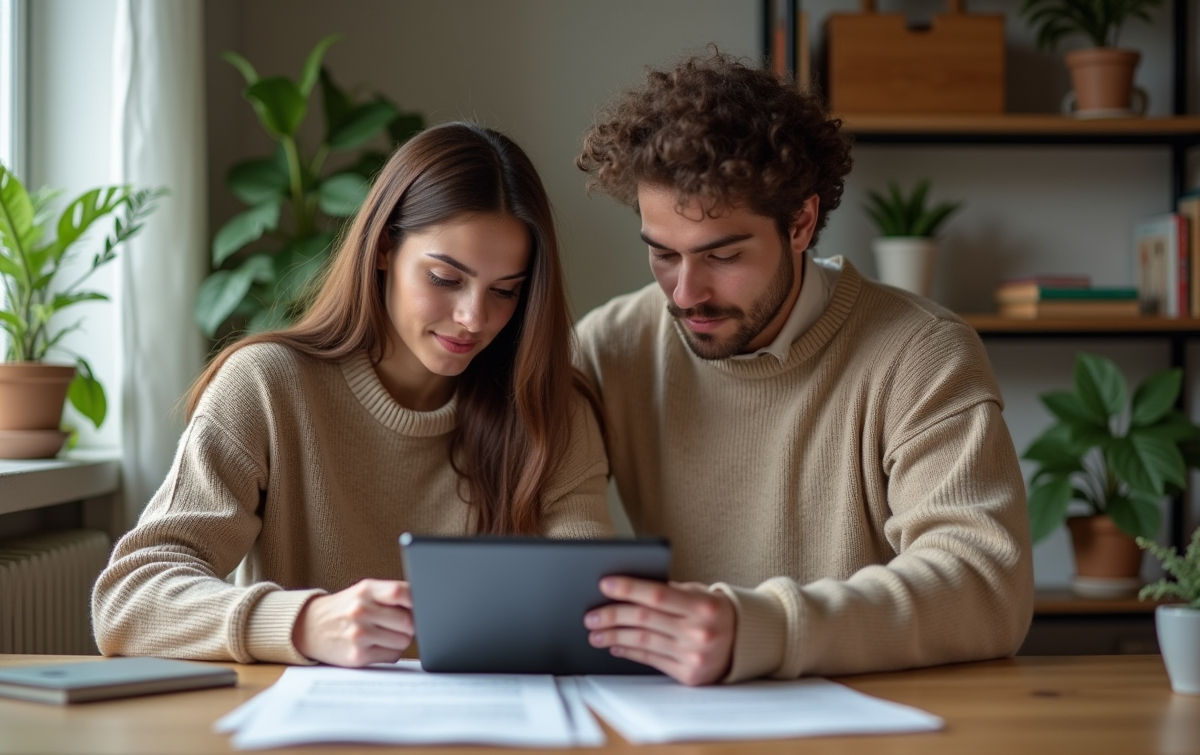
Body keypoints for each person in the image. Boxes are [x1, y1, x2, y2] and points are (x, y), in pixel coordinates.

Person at [573, 52, 1033, 686]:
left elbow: (986, 586)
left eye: (722, 255)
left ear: (801, 223)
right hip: (683, 727)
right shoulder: (609, 347)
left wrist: (763, 628)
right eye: (662, 255)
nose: (684, 293)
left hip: (878, 737)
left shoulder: (920, 353)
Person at [93, 122, 611, 667]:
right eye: (443, 278)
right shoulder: (266, 386)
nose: (473, 318)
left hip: (490, 738)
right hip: (311, 738)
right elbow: (127, 599)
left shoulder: (549, 411)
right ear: (384, 247)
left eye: (505, 292)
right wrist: (303, 623)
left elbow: (595, 603)